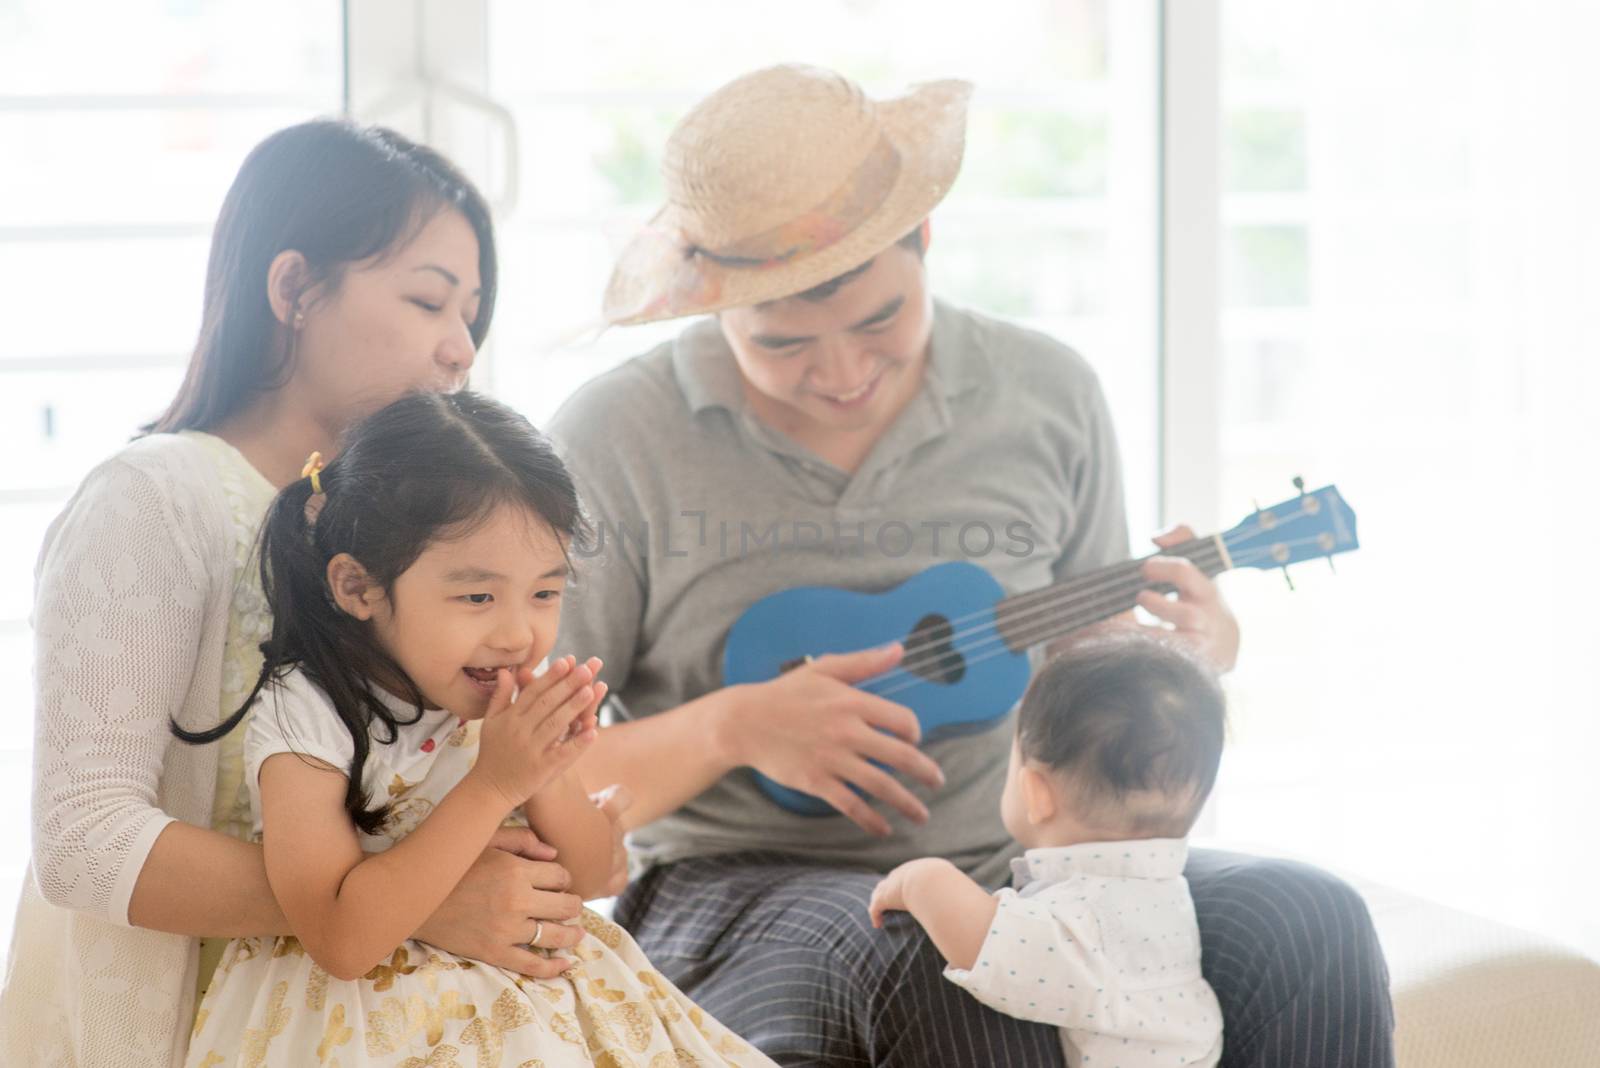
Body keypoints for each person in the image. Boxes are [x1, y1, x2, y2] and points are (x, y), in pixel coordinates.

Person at [549, 65, 1394, 1066]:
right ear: (714, 307)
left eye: (878, 322)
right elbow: (526, 780)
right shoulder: (612, 440)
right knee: (944, 951)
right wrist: (734, 726)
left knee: (1309, 919)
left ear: (926, 243)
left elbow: (1089, 680)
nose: (843, 375)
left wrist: (1183, 660)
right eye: (783, 345)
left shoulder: (1045, 394)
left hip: (1027, 867)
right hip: (727, 888)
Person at [3, 120, 608, 1066]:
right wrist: (408, 898)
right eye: (427, 301)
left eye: (472, 317)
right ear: (292, 287)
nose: (460, 350)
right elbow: (84, 838)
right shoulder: (156, 496)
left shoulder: (422, 531)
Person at [180, 390, 773, 1067]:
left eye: (545, 593)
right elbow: (340, 938)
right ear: (358, 587)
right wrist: (493, 785)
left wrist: (549, 773)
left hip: (538, 1006)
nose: (519, 634)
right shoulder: (309, 710)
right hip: (367, 1024)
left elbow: (585, 878)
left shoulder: (506, 688)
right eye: (476, 597)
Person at [869, 632, 1227, 1067]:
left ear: (1036, 793)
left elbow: (988, 948)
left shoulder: (1083, 912)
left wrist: (921, 879)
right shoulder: (1161, 895)